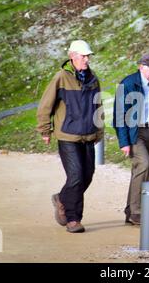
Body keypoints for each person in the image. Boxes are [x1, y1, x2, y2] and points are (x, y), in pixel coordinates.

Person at [36, 40, 103, 233]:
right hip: (67, 136)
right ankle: (74, 219)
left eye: (88, 56)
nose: (86, 59)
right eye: (83, 56)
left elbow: (97, 106)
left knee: (87, 177)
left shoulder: (93, 79)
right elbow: (45, 105)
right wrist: (45, 130)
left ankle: (62, 198)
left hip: (89, 136)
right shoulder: (61, 77)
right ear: (72, 56)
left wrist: (99, 130)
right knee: (75, 176)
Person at [113, 54, 149, 225]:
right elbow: (119, 114)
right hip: (135, 132)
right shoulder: (127, 84)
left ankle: (132, 210)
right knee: (143, 165)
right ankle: (137, 212)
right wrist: (124, 141)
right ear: (141, 66)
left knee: (144, 171)